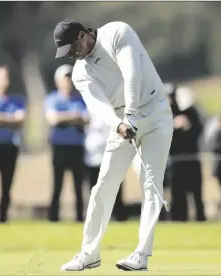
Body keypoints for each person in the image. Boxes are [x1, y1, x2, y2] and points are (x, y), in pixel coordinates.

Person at [53, 20, 173, 271]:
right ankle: (89, 253)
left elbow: (133, 73)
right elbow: (97, 106)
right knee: (104, 185)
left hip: (155, 111)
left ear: (83, 35)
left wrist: (130, 115)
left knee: (151, 183)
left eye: (72, 47)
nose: (72, 55)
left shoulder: (117, 32)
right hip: (121, 122)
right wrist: (120, 124)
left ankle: (141, 254)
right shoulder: (79, 72)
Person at [45, 64, 90, 222]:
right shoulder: (52, 99)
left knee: (79, 186)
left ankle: (79, 217)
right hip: (59, 147)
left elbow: (87, 119)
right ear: (58, 81)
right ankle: (53, 217)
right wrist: (74, 117)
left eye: (70, 79)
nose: (68, 83)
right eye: (65, 79)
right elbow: (53, 119)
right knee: (57, 185)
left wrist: (64, 117)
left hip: (77, 147)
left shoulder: (81, 99)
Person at [164, 83, 206, 222]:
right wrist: (174, 126)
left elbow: (198, 131)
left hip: (192, 158)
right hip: (175, 160)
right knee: (177, 193)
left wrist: (187, 125)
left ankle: (200, 218)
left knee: (196, 192)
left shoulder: (190, 111)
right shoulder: (164, 114)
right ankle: (179, 219)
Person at [0, 66, 26, 223]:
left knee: (7, 185)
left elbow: (20, 120)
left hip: (10, 147)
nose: (4, 82)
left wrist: (0, 119)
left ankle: (2, 217)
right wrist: (9, 119)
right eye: (1, 78)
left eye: (6, 78)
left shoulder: (17, 100)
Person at [84, 111, 129, 221]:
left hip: (111, 153)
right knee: (95, 187)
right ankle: (96, 215)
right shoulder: (89, 108)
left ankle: (118, 215)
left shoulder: (113, 111)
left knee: (114, 185)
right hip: (93, 156)